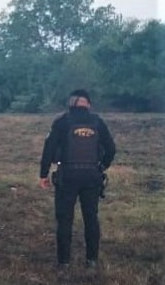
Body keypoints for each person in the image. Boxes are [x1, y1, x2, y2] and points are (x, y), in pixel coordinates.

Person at [39, 89, 116, 271]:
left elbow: (48, 149)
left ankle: (64, 264)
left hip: (67, 177)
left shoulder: (62, 122)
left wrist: (43, 174)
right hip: (92, 177)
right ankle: (91, 262)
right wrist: (101, 167)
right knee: (91, 219)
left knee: (65, 220)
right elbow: (111, 149)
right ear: (88, 104)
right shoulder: (98, 122)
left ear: (71, 103)